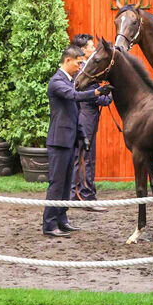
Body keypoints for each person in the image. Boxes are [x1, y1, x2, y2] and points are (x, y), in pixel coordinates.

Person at [43, 44, 106, 237]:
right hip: (58, 142)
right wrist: (96, 93)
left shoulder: (68, 81)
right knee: (57, 184)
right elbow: (74, 96)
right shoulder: (57, 81)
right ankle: (49, 224)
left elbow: (74, 114)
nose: (80, 67)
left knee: (65, 184)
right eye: (78, 63)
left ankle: (62, 220)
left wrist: (83, 136)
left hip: (69, 141)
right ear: (68, 60)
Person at [71, 34, 114, 210]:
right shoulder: (84, 72)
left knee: (81, 156)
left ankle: (74, 195)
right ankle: (86, 196)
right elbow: (96, 98)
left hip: (84, 117)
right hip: (86, 117)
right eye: (90, 47)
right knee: (86, 157)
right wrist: (108, 96)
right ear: (82, 50)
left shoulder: (81, 69)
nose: (94, 49)